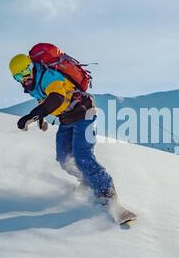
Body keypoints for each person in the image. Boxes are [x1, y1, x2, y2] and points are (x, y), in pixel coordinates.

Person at [9, 53, 117, 204]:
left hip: (84, 112)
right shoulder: (32, 85)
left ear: (32, 67)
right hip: (67, 119)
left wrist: (31, 116)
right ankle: (86, 180)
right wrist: (41, 117)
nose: (24, 78)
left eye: (25, 72)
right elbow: (44, 99)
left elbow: (56, 99)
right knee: (64, 158)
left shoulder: (49, 76)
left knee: (82, 155)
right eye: (18, 77)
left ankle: (107, 193)